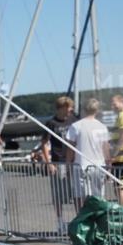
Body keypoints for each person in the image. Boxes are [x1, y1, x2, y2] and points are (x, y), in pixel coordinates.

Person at [65, 98, 111, 210]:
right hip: (99, 165)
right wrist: (109, 166)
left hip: (81, 164)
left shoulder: (76, 126)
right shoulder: (102, 127)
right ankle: (97, 219)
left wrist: (67, 164)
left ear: (84, 110)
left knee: (79, 195)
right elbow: (106, 148)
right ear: (97, 110)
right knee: (98, 196)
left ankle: (81, 219)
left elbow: (70, 148)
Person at [46, 96, 78, 233]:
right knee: (58, 194)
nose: (71, 110)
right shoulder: (51, 123)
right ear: (63, 108)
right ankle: (60, 222)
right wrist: (49, 163)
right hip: (58, 161)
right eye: (69, 107)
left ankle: (78, 221)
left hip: (73, 162)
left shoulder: (74, 121)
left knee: (77, 193)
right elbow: (43, 143)